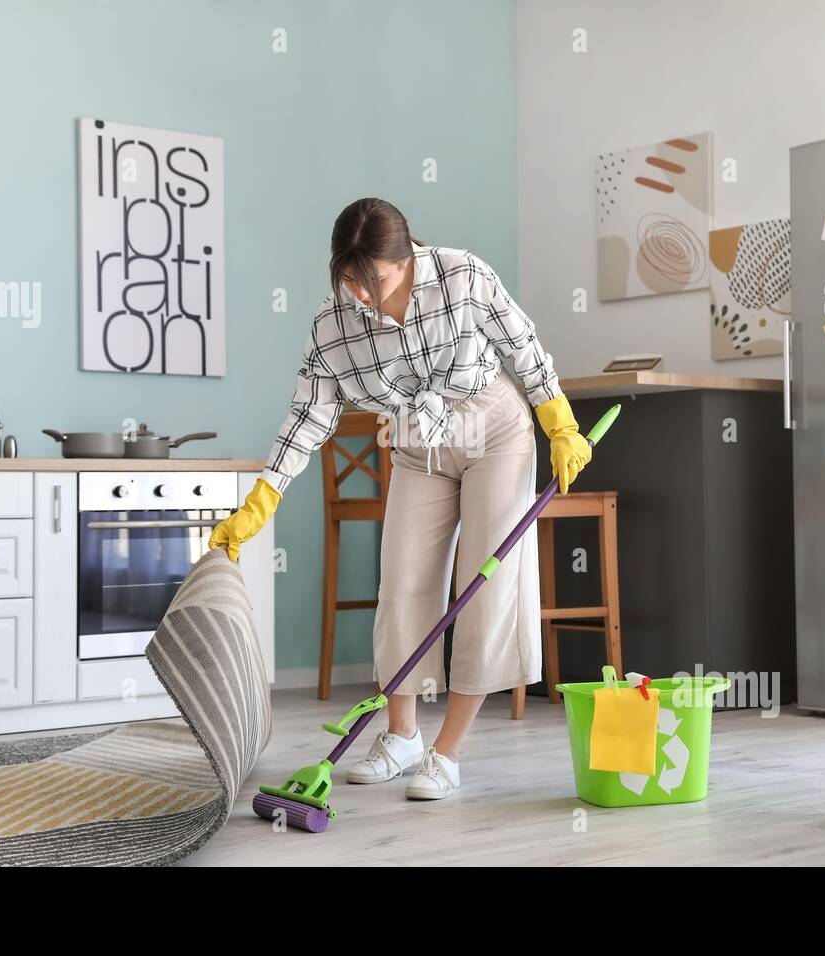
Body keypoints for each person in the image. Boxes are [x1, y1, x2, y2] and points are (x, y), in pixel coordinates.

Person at [210, 197, 590, 800]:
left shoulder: (462, 275)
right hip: (417, 441)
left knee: (485, 583)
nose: (362, 294)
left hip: (493, 429)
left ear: (406, 257)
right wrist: (263, 497)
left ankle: (448, 751)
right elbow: (309, 414)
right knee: (403, 582)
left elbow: (525, 348)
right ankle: (403, 735)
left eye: (375, 279)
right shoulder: (332, 325)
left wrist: (560, 424)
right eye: (349, 279)